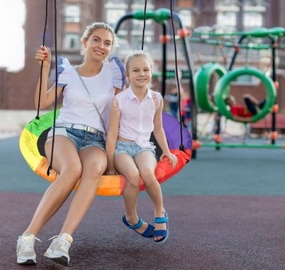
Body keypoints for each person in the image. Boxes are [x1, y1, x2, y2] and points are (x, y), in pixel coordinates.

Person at [16, 22, 125, 267]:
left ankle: (62, 241)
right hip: (64, 134)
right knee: (72, 169)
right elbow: (42, 103)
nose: (102, 46)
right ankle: (28, 237)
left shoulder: (114, 73)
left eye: (107, 43)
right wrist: (44, 69)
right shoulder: (68, 72)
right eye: (96, 40)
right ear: (85, 42)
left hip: (95, 138)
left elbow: (121, 111)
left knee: (95, 167)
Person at [106, 50, 178, 244]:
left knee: (147, 172)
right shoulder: (118, 100)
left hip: (144, 147)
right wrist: (110, 164)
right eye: (136, 70)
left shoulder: (156, 99)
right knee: (133, 176)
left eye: (145, 69)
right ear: (128, 75)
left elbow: (158, 128)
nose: (141, 74)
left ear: (151, 72)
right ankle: (131, 217)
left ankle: (159, 212)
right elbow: (112, 133)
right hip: (122, 147)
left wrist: (167, 151)